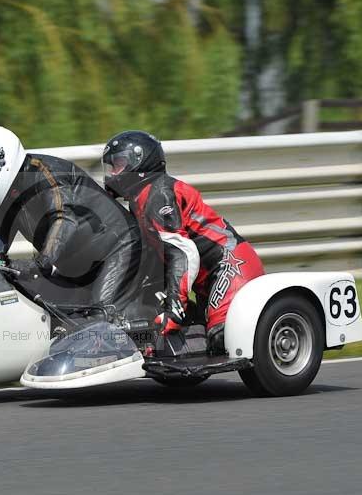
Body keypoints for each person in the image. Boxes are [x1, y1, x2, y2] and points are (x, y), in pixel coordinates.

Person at [101, 130, 265, 354]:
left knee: (223, 338)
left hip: (231, 265)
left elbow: (182, 253)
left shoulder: (158, 193)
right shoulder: (139, 200)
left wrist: (174, 309)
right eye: (111, 167)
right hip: (204, 279)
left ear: (139, 162)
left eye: (118, 164)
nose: (112, 174)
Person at [0, 125, 146, 317]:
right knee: (45, 317)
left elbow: (63, 218)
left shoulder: (47, 175)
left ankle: (142, 342)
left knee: (102, 320)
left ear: (1, 163)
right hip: (77, 264)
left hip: (117, 249)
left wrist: (40, 264)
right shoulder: (7, 197)